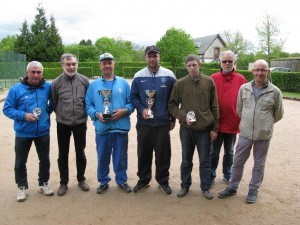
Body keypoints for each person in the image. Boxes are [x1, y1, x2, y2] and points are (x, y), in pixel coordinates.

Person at [218, 59, 284, 203]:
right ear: (253, 71)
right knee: (237, 162)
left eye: (263, 70)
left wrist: (264, 125)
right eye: (257, 70)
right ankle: (232, 186)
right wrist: (248, 123)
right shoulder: (244, 88)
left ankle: (253, 190)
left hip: (263, 135)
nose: (260, 73)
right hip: (245, 133)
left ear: (268, 71)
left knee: (259, 165)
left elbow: (278, 114)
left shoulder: (275, 91)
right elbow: (239, 109)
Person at [168, 54, 219, 200]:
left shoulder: (209, 82)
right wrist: (183, 117)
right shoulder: (180, 84)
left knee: (205, 160)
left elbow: (214, 106)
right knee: (186, 160)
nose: (192, 68)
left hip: (204, 129)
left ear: (199, 65)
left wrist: (215, 128)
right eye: (189, 65)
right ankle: (185, 185)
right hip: (187, 129)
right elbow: (171, 105)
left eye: (194, 65)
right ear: (186, 67)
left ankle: (206, 187)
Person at [3, 61, 54, 202]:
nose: (36, 75)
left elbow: (54, 102)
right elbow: (7, 109)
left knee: (44, 160)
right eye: (33, 72)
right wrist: (24, 116)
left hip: (43, 131)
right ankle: (22, 187)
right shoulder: (16, 89)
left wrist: (46, 113)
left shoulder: (48, 87)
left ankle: (43, 183)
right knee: (20, 161)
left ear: (42, 73)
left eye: (39, 72)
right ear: (27, 73)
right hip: (23, 133)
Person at [130, 45, 176, 195]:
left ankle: (163, 181)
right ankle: (143, 180)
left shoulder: (169, 75)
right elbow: (134, 97)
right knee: (143, 152)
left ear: (159, 57)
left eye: (155, 56)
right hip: (144, 123)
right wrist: (142, 109)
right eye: (149, 56)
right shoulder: (138, 76)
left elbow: (174, 99)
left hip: (163, 122)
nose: (152, 59)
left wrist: (173, 118)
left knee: (163, 153)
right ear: (145, 57)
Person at [85, 53, 134, 194]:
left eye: (109, 62)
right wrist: (96, 114)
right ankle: (103, 181)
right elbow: (88, 105)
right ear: (100, 65)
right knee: (102, 157)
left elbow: (131, 102)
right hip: (102, 128)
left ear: (114, 64)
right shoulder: (94, 85)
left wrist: (125, 111)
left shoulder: (124, 83)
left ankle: (121, 180)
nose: (107, 65)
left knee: (121, 157)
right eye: (104, 63)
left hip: (121, 127)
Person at [51, 53, 90, 196]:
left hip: (80, 123)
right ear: (62, 65)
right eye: (68, 64)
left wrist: (83, 116)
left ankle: (81, 179)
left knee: (81, 153)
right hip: (63, 124)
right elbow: (55, 103)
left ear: (77, 64)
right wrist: (62, 115)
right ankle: (63, 182)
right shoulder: (56, 83)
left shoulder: (84, 81)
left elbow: (88, 101)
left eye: (74, 64)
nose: (71, 67)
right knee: (63, 154)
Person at [210, 50, 247, 185]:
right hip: (216, 123)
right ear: (220, 62)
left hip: (232, 123)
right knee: (213, 152)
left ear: (234, 62)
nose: (227, 64)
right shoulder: (213, 78)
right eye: (224, 61)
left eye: (229, 61)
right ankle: (211, 174)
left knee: (230, 152)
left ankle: (227, 173)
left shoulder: (241, 79)